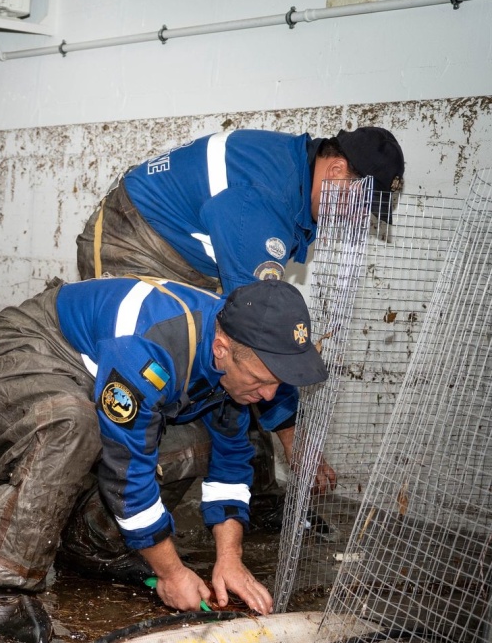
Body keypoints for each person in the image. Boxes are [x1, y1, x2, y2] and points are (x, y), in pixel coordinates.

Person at [0, 276, 328, 643]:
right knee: (73, 425)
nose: (270, 395)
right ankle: (0, 584)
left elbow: (230, 462)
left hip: (104, 367)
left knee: (198, 444)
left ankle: (92, 543)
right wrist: (170, 573)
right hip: (32, 345)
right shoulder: (152, 348)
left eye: (278, 384)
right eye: (261, 381)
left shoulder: (233, 357)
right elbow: (127, 472)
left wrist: (229, 559)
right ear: (221, 349)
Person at [75, 126, 405, 494]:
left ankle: (252, 492)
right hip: (133, 237)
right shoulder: (263, 207)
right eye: (360, 204)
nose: (357, 218)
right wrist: (294, 440)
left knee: (233, 370)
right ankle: (111, 514)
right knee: (150, 379)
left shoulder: (292, 173)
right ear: (337, 170)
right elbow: (257, 337)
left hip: (181, 256)